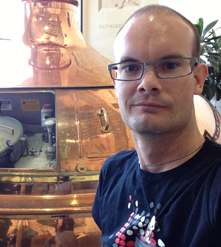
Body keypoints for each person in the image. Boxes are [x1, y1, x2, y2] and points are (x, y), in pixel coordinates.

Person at [91, 4, 221, 247]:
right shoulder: (113, 172)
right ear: (115, 82)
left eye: (169, 65)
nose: (147, 83)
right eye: (130, 67)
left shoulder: (215, 189)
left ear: (198, 79)